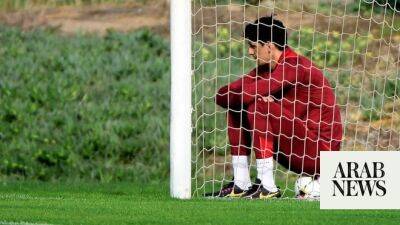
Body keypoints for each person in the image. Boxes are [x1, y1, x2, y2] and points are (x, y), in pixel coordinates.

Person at [208, 16, 343, 199]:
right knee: (239, 106)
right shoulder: (265, 70)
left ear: (269, 46)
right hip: (296, 148)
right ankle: (241, 183)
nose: (250, 52)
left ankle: (268, 186)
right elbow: (222, 95)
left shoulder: (295, 65)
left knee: (257, 105)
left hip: (321, 156)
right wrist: (251, 95)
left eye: (253, 46)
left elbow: (245, 95)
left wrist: (255, 96)